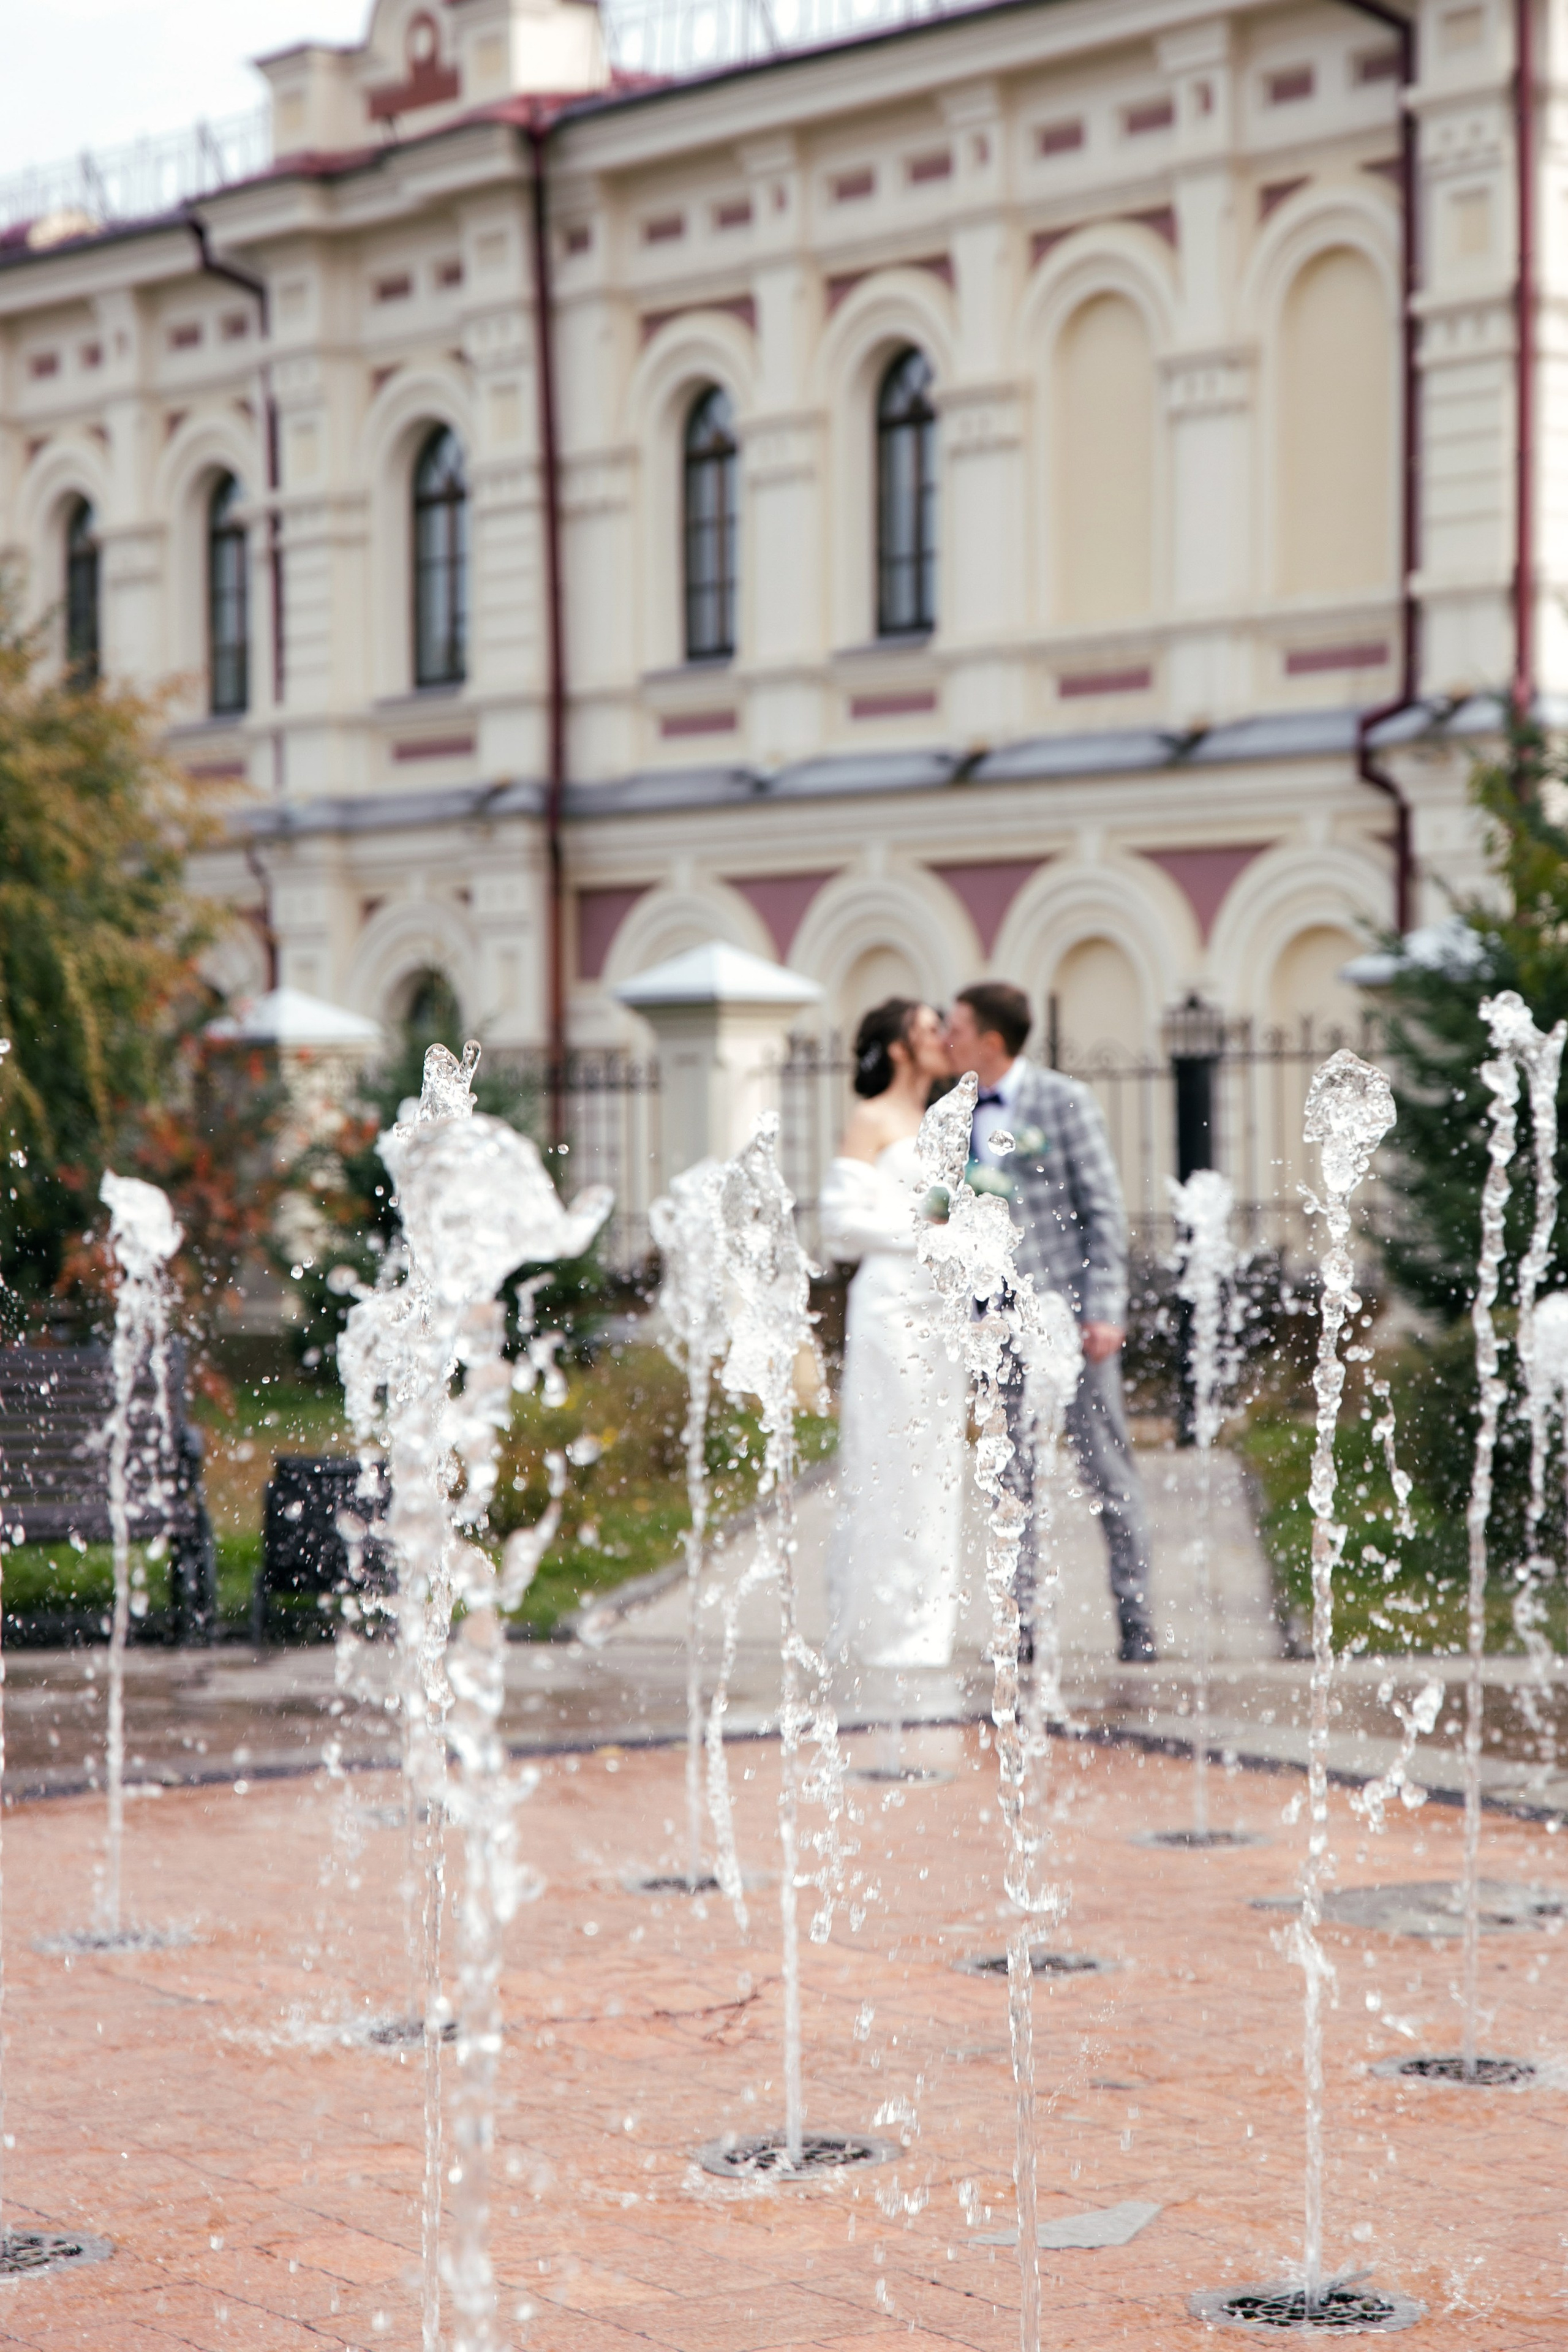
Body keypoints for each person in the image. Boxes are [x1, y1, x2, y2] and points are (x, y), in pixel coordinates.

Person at [945, 981, 1157, 1664]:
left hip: (1070, 1323)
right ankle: (1024, 1630)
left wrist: (1103, 1310)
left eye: (956, 1028)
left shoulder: (1064, 1101)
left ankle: (1137, 1623)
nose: (946, 1040)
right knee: (1011, 1480)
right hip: (994, 1326)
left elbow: (1103, 1210)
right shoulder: (949, 1112)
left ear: (992, 1041)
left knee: (1107, 1472)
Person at [818, 1000, 968, 1698]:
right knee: (887, 1460)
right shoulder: (873, 1119)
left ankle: (926, 1629)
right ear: (901, 1048)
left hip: (941, 1312)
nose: (943, 1038)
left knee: (935, 1464)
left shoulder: (939, 1125)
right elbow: (841, 1224)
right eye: (929, 1028)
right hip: (888, 1309)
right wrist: (929, 1236)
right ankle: (879, 1632)